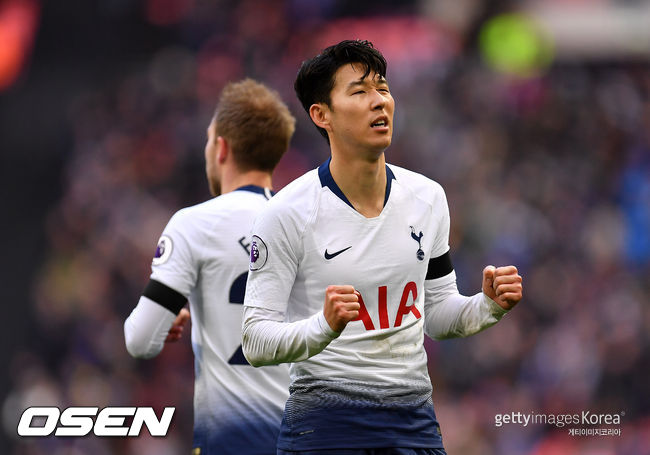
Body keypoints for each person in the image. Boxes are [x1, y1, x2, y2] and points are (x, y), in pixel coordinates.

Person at [241, 40, 523, 454]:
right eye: (359, 91)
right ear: (322, 115)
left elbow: (436, 315)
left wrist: (487, 306)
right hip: (325, 431)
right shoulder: (285, 213)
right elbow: (255, 341)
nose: (379, 101)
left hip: (413, 427)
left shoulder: (428, 198)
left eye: (383, 89)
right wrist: (323, 326)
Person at [124, 78, 296, 454]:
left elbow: (140, 340)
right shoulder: (310, 226)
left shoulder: (194, 224)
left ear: (222, 148)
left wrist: (160, 321)